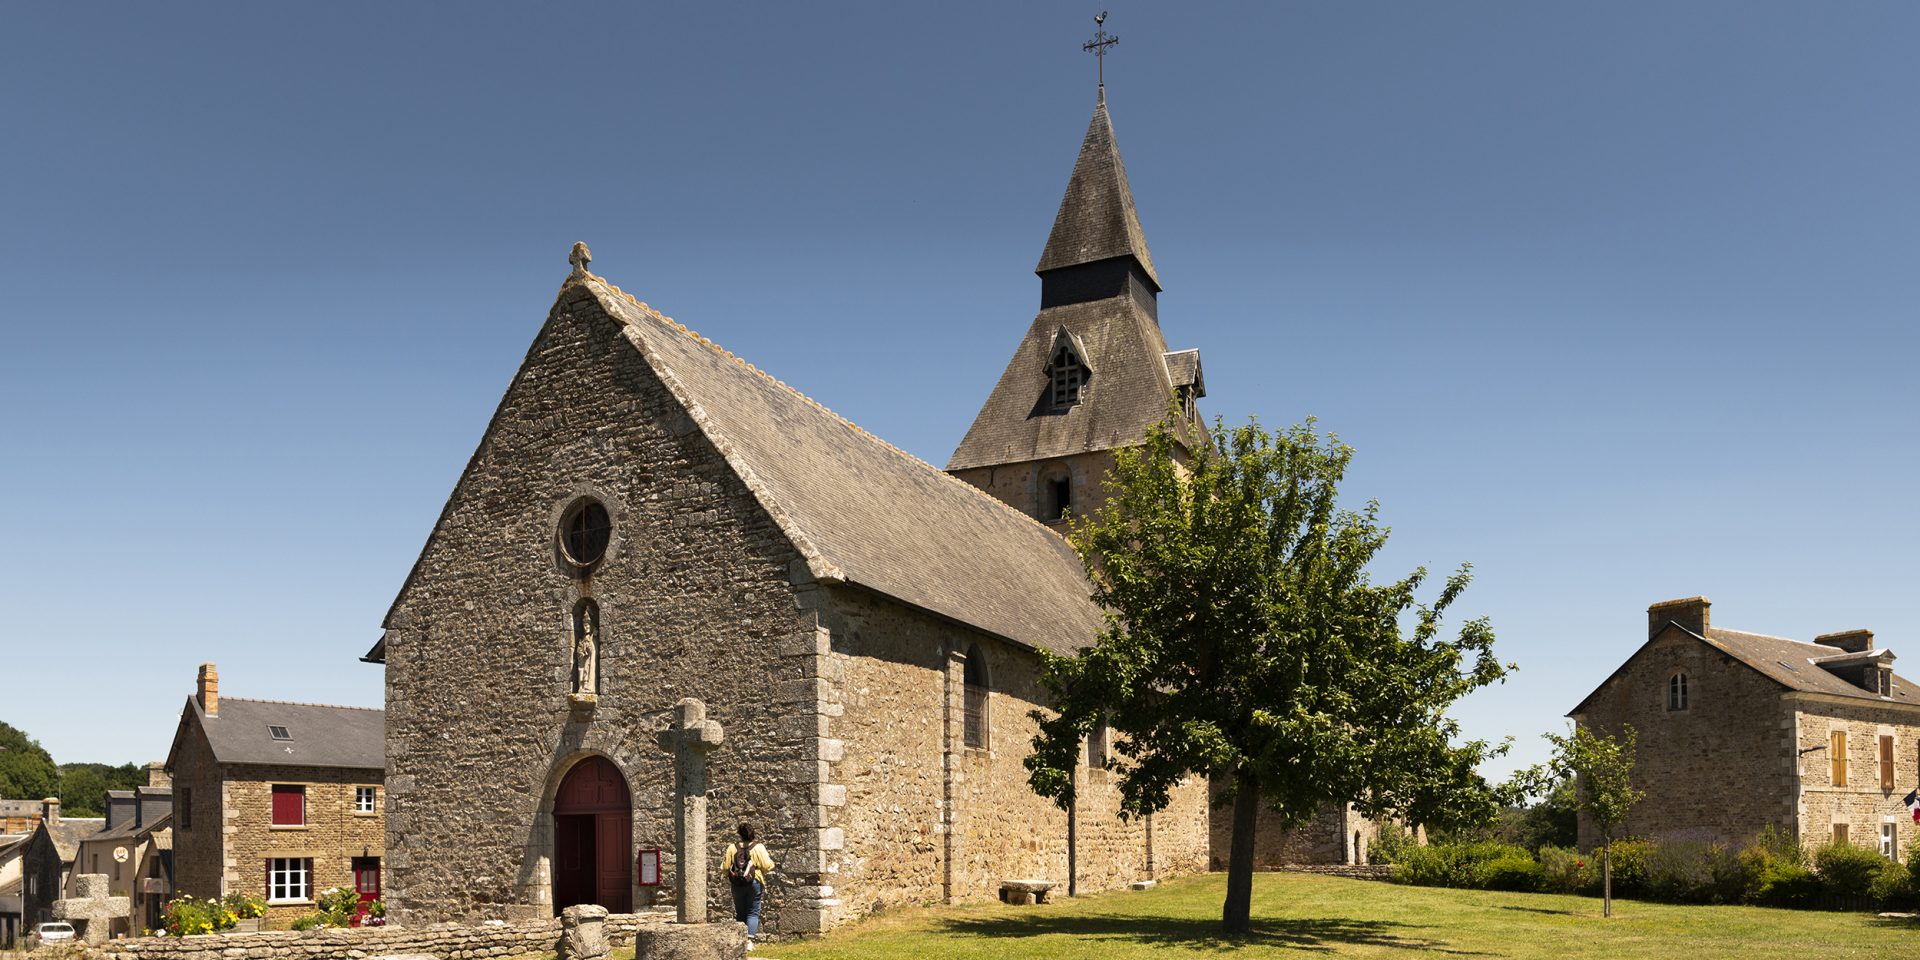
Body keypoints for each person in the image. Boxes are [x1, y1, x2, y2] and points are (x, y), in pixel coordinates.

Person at [724, 821, 775, 949]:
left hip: (736, 882)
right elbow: (767, 865)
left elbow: (725, 867)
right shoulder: (759, 847)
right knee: (753, 911)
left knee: (740, 911)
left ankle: (740, 940)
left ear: (739, 834)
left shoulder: (732, 847)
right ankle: (749, 941)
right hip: (754, 881)